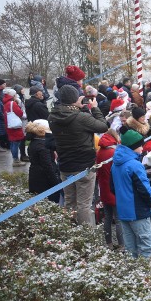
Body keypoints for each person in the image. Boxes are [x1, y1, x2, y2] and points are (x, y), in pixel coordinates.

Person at [49, 85, 109, 226]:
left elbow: (72, 121)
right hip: (84, 166)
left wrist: (79, 108)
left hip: (65, 165)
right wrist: (94, 108)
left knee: (70, 201)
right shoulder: (81, 118)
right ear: (75, 99)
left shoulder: (52, 116)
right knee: (84, 204)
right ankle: (85, 235)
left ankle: (70, 232)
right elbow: (103, 126)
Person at [110, 130, 151, 259]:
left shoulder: (115, 163)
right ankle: (144, 276)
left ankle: (132, 275)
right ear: (133, 147)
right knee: (146, 246)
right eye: (141, 145)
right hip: (138, 211)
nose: (143, 148)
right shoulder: (135, 165)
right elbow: (145, 189)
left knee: (131, 248)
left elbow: (112, 187)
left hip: (123, 211)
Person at [96, 129, 124, 249]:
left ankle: (109, 244)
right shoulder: (114, 153)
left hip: (104, 189)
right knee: (119, 220)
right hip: (114, 189)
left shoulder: (100, 152)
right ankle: (122, 245)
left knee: (107, 218)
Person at [25, 120, 60, 204]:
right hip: (45, 179)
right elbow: (48, 165)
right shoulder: (43, 146)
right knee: (51, 202)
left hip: (35, 175)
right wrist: (56, 182)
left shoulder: (33, 143)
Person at [2, 88, 27, 167]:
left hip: (9, 125)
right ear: (13, 95)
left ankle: (15, 159)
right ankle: (16, 160)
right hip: (15, 126)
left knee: (13, 142)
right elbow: (20, 113)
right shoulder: (12, 103)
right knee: (16, 143)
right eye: (15, 95)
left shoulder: (6, 103)